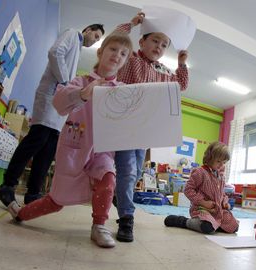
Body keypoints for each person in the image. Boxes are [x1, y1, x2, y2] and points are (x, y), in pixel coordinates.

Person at [6, 33, 133, 248]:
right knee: (56, 201)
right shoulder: (80, 81)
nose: (117, 55)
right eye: (113, 49)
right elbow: (59, 101)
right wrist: (83, 94)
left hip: (102, 151)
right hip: (75, 148)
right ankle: (21, 214)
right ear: (100, 52)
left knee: (108, 179)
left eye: (123, 53)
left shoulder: (122, 91)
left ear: (125, 62)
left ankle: (99, 225)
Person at [0, 24, 105, 206]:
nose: (95, 40)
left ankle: (33, 194)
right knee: (37, 139)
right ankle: (7, 185)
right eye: (95, 35)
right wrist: (65, 83)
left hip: (59, 104)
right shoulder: (72, 34)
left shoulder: (77, 49)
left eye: (98, 39)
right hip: (50, 95)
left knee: (48, 149)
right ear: (87, 29)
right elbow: (55, 52)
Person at [112, 13, 189, 242]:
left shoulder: (163, 71)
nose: (159, 46)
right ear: (141, 42)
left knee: (135, 170)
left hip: (144, 131)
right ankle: (127, 219)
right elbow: (116, 40)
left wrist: (182, 63)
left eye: (164, 44)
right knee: (127, 171)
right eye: (155, 40)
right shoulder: (130, 59)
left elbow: (181, 86)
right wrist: (132, 23)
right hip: (125, 125)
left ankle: (120, 197)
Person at [164, 142, 239, 234]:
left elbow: (221, 194)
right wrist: (203, 202)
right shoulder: (200, 172)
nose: (221, 165)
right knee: (207, 228)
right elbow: (188, 190)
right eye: (218, 161)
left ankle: (214, 224)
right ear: (209, 158)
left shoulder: (221, 176)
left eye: (224, 162)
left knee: (234, 227)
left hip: (218, 211)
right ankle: (183, 221)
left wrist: (225, 203)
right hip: (202, 209)